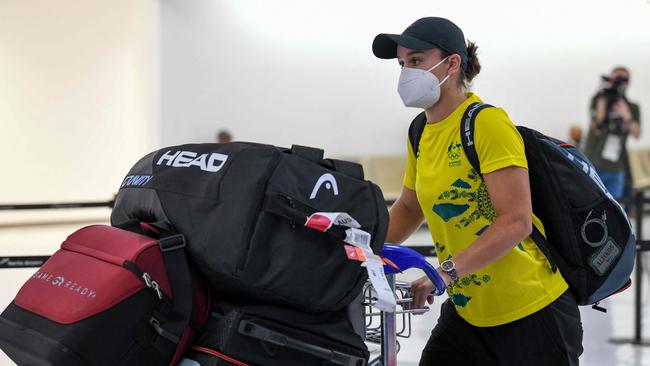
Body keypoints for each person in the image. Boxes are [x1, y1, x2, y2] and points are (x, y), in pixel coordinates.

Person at [372, 17, 583, 365]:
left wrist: (444, 273)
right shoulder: (420, 130)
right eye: (401, 64)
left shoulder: (486, 123)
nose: (406, 73)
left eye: (416, 61)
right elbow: (410, 207)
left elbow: (516, 222)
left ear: (452, 63)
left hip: (531, 312)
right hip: (470, 312)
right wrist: (364, 249)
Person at [583, 67, 641, 200]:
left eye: (624, 79)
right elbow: (595, 129)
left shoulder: (632, 107)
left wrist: (627, 116)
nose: (621, 82)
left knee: (614, 208)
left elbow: (636, 134)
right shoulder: (598, 100)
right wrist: (601, 109)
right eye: (617, 78)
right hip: (593, 161)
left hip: (617, 166)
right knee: (589, 203)